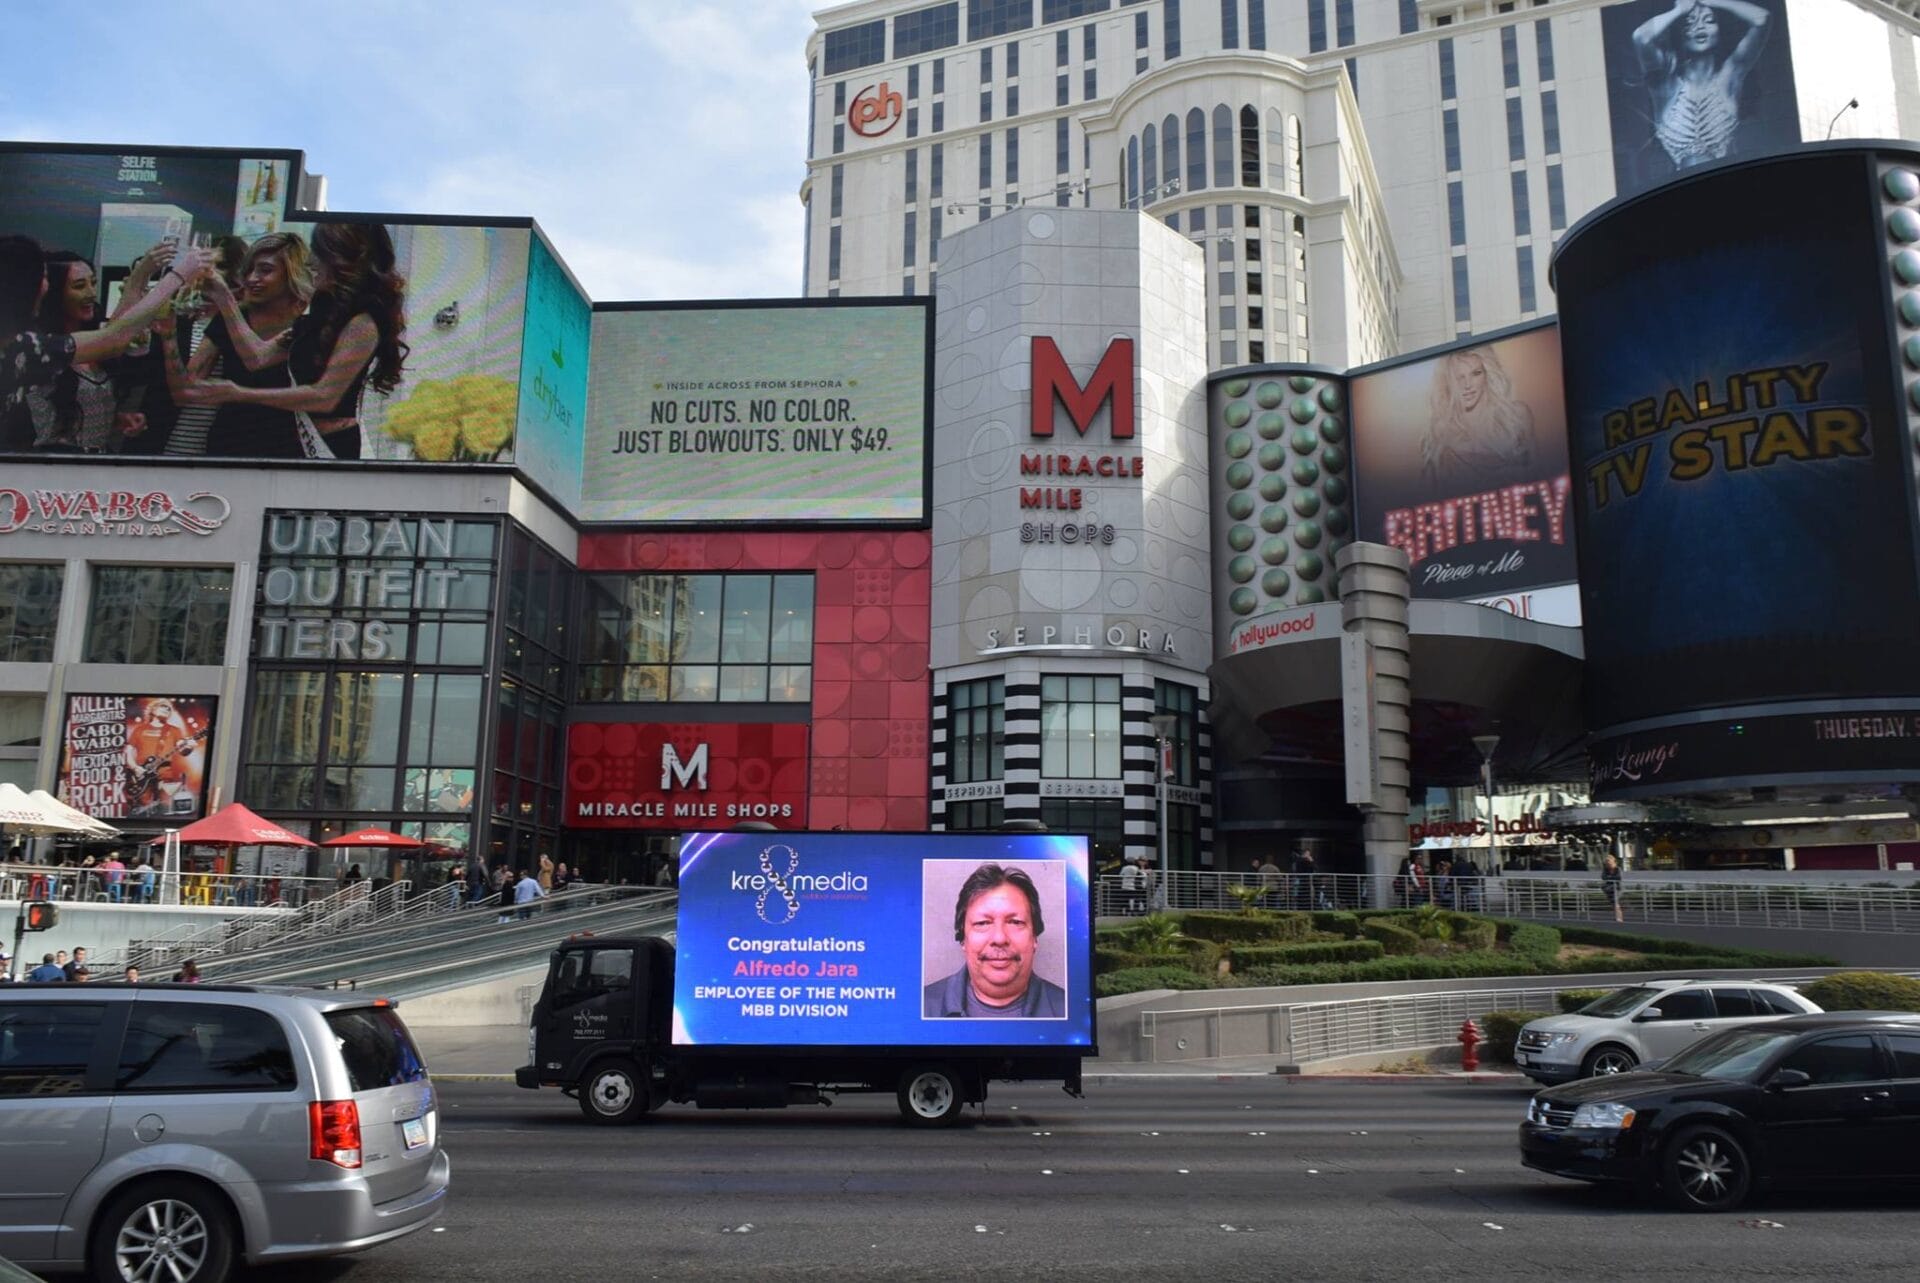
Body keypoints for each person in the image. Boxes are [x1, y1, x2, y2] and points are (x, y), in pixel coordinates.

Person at [177, 222, 407, 460]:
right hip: (292, 443)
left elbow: (324, 397)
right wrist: (224, 297)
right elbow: (257, 357)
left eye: (317, 253)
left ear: (340, 260)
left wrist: (238, 393)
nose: (310, 263)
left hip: (328, 447)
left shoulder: (365, 319)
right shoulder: (324, 308)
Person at [1, 235, 215, 452]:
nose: (91, 293)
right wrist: (177, 275)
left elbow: (115, 333)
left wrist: (142, 274)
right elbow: (115, 337)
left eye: (93, 283)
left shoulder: (29, 343)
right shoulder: (28, 346)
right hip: (53, 472)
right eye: (78, 285)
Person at [170, 232, 311, 458]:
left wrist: (225, 299)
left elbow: (256, 359)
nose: (253, 278)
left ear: (291, 275)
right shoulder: (235, 316)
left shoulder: (308, 324)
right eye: (250, 271)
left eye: (265, 270)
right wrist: (168, 334)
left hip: (291, 447)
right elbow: (187, 387)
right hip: (230, 443)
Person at [1634, 0, 1772, 174]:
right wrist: (1679, 11)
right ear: (1679, 33)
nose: (1700, 26)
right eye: (1690, 22)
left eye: (1709, 20)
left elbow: (1762, 19)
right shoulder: (1666, 87)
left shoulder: (1729, 78)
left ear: (1719, 30)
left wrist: (1713, 1)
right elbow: (1640, 37)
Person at [923, 864, 1066, 1019]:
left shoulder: (1069, 1010)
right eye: (983, 923)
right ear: (963, 939)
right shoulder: (920, 1007)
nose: (1000, 938)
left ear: (1034, 938)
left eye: (1015, 922)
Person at [1419, 345, 1536, 494]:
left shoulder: (1517, 416)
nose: (1467, 385)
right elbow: (1427, 497)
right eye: (1459, 377)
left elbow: (1540, 476)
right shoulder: (1438, 432)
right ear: (1447, 382)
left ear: (1487, 375)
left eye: (1476, 373)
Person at [1602, 853, 1626, 923]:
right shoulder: (1605, 869)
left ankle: (1619, 918)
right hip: (1609, 889)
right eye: (1607, 863)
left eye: (1609, 863)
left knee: (1615, 902)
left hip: (1617, 888)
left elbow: (1619, 878)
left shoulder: (1618, 869)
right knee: (1614, 903)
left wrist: (1610, 878)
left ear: (1613, 862)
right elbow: (1603, 877)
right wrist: (1611, 878)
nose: (1608, 865)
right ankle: (1618, 917)